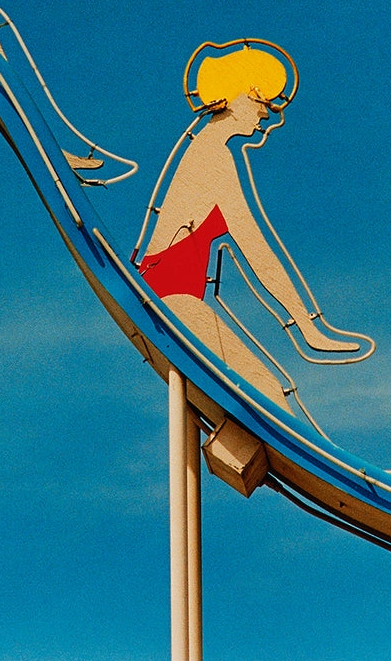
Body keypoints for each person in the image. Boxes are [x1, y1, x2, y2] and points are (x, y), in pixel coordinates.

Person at [136, 41, 372, 410]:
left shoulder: (207, 150)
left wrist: (310, 328)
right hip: (172, 301)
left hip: (172, 298)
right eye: (262, 103)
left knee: (256, 395)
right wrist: (308, 329)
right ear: (238, 99)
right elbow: (256, 250)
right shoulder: (213, 158)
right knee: (267, 393)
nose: (267, 116)